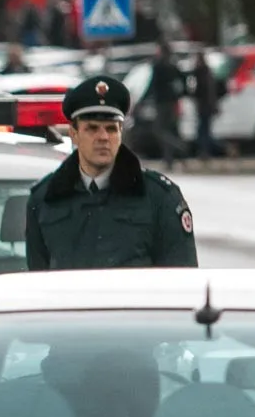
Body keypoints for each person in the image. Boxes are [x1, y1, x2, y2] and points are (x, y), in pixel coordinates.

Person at [25, 76, 198, 271]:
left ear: (120, 132)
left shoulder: (159, 197)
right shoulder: (45, 199)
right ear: (73, 133)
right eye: (92, 129)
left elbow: (183, 284)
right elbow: (37, 286)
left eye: (111, 129)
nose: (103, 137)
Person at [148, 41, 188, 168]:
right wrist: (181, 93)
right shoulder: (173, 65)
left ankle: (178, 146)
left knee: (159, 129)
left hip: (161, 102)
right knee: (170, 128)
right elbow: (184, 78)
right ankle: (168, 159)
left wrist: (148, 97)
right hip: (172, 101)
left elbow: (153, 84)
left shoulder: (158, 65)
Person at [190, 51, 223, 159]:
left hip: (205, 106)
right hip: (205, 106)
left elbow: (205, 91)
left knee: (203, 131)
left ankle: (210, 151)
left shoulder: (201, 73)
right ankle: (206, 152)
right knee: (204, 131)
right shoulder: (204, 72)